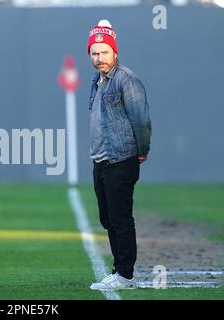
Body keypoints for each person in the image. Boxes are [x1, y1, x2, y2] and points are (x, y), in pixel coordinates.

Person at [86, 20, 152, 290]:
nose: (99, 58)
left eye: (103, 52)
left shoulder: (127, 80)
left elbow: (142, 120)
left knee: (121, 217)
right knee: (108, 217)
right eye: (94, 52)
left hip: (120, 160)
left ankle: (124, 274)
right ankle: (118, 270)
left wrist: (141, 150)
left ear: (114, 52)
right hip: (101, 161)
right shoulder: (97, 81)